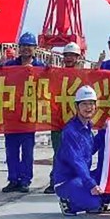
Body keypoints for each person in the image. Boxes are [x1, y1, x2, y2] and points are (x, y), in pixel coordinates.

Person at [54, 85, 110, 216]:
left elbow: (90, 149)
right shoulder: (70, 131)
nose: (88, 108)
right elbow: (77, 161)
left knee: (108, 177)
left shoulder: (87, 128)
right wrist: (90, 184)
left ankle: (95, 200)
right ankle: (68, 204)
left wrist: (104, 132)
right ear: (77, 106)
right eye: (84, 104)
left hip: (81, 177)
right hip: (67, 181)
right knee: (94, 204)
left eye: (91, 104)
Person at [2, 32, 46, 194]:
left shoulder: (41, 67)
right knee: (11, 149)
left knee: (27, 150)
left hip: (29, 115)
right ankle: (13, 179)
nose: (26, 49)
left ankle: (25, 180)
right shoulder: (10, 65)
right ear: (19, 48)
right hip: (12, 114)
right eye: (23, 46)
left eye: (29, 46)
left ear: (35, 48)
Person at [44, 41, 82, 194]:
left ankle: (75, 180)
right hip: (58, 121)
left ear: (78, 58)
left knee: (77, 152)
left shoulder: (84, 75)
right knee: (59, 153)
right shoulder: (55, 74)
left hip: (75, 122)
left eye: (72, 56)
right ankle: (55, 181)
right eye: (66, 55)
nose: (69, 58)